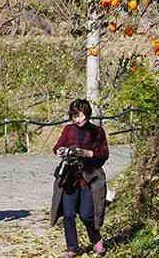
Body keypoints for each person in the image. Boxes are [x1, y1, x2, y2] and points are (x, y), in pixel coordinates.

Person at [50, 99, 109, 258]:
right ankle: (72, 247)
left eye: (80, 115)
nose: (78, 119)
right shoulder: (68, 130)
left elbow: (104, 154)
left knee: (86, 214)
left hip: (89, 179)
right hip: (70, 178)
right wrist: (62, 151)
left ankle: (95, 238)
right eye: (74, 116)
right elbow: (56, 147)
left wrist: (87, 153)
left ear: (87, 114)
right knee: (68, 214)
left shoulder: (97, 131)